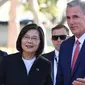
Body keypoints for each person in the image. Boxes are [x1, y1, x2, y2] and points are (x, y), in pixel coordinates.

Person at [56, 0, 85, 85]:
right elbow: (60, 80)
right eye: (68, 18)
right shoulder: (65, 45)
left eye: (75, 17)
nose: (71, 22)